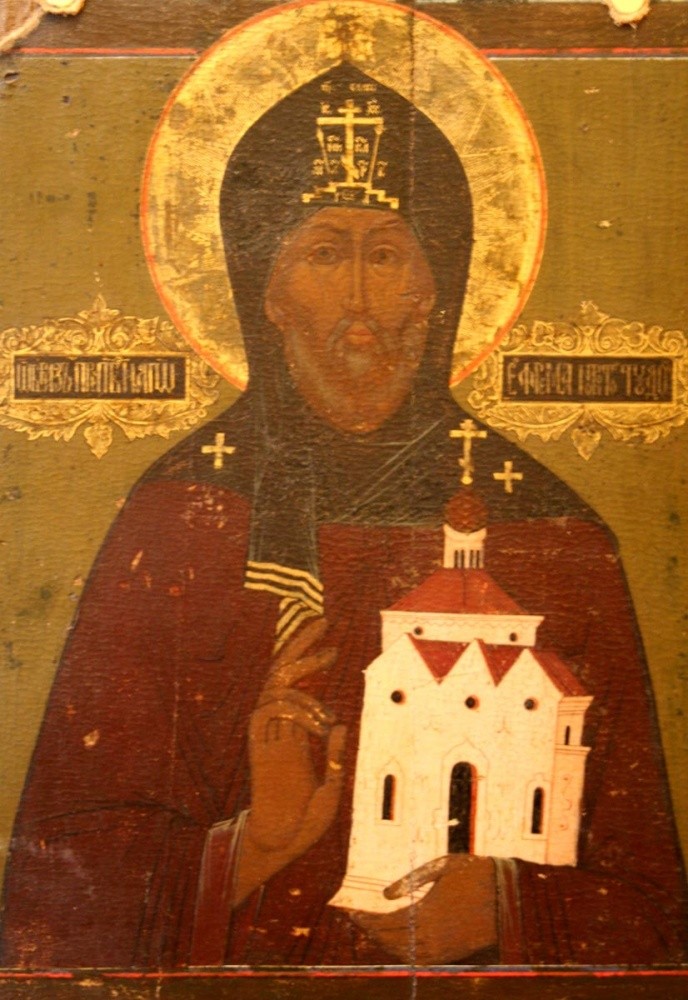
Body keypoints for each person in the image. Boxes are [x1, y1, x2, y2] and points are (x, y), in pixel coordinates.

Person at [1, 67, 686, 969]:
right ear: (268, 292)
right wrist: (252, 847)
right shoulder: (176, 522)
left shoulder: (557, 538)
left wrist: (511, 907)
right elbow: (49, 903)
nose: (360, 301)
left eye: (388, 255)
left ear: (436, 289)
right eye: (323, 254)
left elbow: (654, 911)